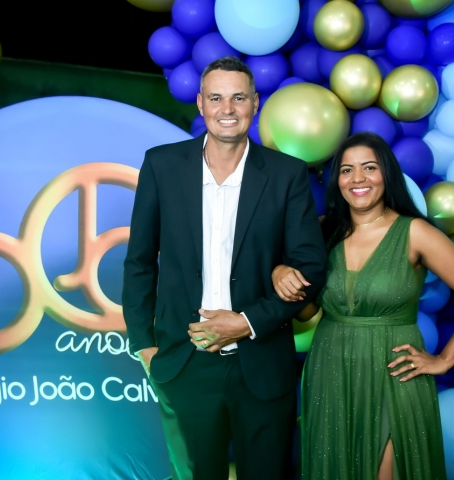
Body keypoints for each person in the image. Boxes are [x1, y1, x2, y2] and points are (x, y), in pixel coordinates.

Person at [122, 56, 327, 480]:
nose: (227, 109)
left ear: (255, 103)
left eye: (238, 98)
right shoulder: (162, 165)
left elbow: (310, 265)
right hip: (185, 364)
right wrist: (145, 345)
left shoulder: (287, 174)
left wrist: (247, 322)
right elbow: (139, 261)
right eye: (216, 98)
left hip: (263, 365)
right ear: (200, 103)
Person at [272, 132, 454, 480]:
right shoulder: (322, 231)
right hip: (330, 369)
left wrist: (445, 359)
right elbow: (307, 312)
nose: (357, 178)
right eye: (346, 170)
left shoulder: (414, 232)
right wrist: (281, 272)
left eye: (369, 167)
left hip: (393, 372)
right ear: (337, 180)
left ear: (386, 174)